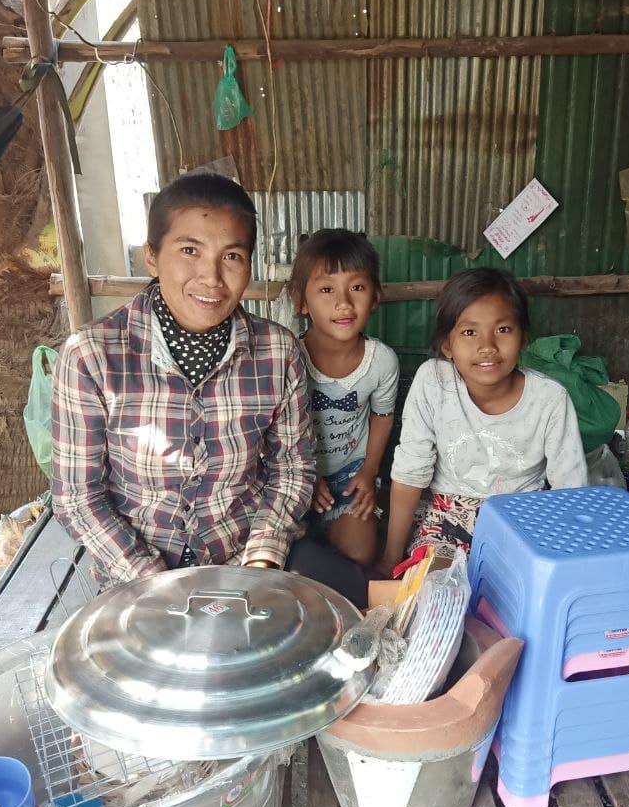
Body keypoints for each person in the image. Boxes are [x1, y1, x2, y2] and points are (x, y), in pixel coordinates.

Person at [50, 172, 367, 606]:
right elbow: (78, 497)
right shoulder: (91, 355)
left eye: (231, 256)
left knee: (346, 615)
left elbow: (292, 467)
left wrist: (261, 560)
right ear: (151, 256)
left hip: (246, 557)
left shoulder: (277, 351)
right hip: (136, 573)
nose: (212, 277)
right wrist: (154, 582)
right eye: (188, 251)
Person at [382, 268, 588, 573]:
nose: (487, 346)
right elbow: (410, 474)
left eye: (503, 330)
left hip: (522, 522)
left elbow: (570, 492)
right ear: (447, 346)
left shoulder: (549, 398)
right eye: (469, 332)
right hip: (447, 521)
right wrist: (389, 558)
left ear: (523, 339)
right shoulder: (433, 382)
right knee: (434, 595)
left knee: (511, 597)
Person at [291, 229, 399, 568]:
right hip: (295, 473)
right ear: (302, 302)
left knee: (360, 554)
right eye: (326, 289)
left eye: (357, 287)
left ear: (375, 296)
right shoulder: (288, 356)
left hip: (350, 476)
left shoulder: (381, 361)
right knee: (288, 558)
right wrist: (304, 477)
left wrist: (369, 473)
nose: (343, 303)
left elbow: (382, 417)